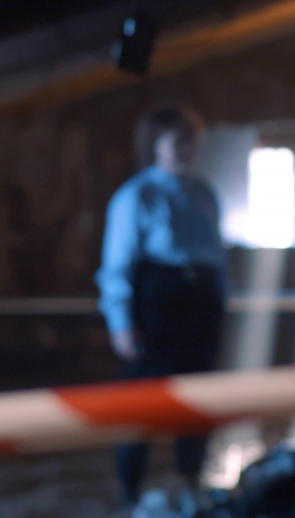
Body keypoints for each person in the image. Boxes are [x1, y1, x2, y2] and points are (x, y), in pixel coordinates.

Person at [95, 104, 226, 509]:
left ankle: (192, 482)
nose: (187, 150)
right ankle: (130, 487)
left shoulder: (204, 193)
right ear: (155, 145)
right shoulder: (136, 196)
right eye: (177, 142)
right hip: (158, 304)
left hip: (200, 303)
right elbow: (116, 266)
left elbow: (217, 254)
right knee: (142, 402)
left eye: (191, 141)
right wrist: (121, 323)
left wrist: (222, 301)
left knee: (199, 399)